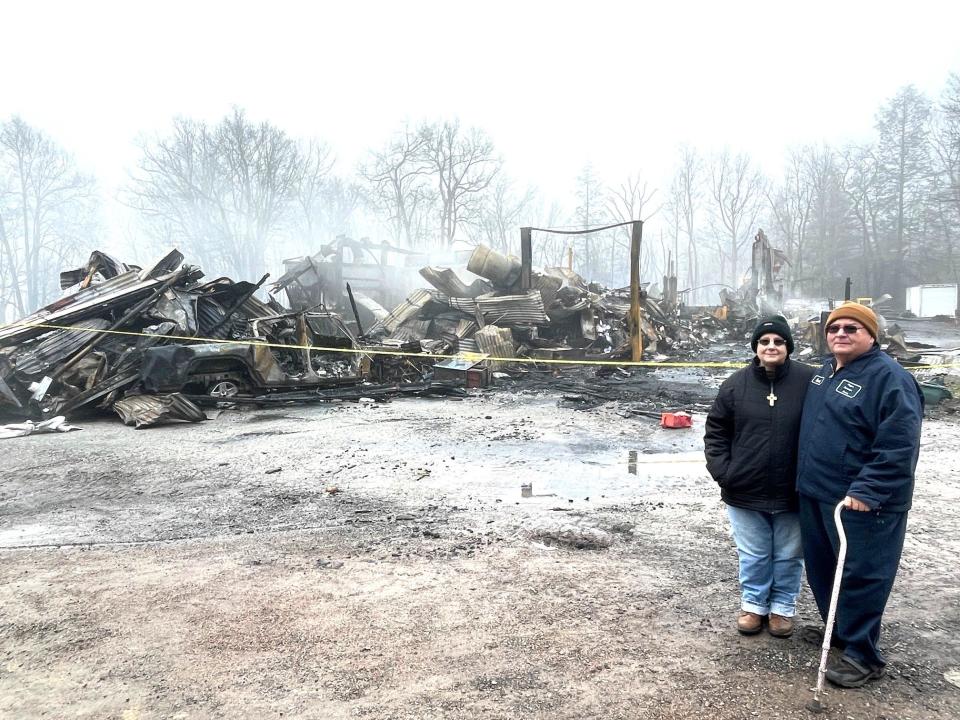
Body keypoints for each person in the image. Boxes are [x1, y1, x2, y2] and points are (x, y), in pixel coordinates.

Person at [796, 301, 923, 688]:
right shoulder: (825, 372)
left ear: (872, 335)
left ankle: (863, 654)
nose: (841, 334)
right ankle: (839, 629)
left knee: (862, 574)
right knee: (824, 568)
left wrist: (869, 489)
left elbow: (899, 444)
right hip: (817, 493)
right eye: (835, 328)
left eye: (852, 328)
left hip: (863, 501)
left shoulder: (890, 379)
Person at [704, 315, 815, 637]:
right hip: (745, 489)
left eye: (778, 341)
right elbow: (716, 431)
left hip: (793, 489)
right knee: (753, 554)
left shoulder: (810, 381)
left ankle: (782, 609)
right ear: (755, 346)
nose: (771, 346)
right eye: (764, 341)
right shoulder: (735, 385)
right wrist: (724, 472)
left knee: (789, 555)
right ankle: (753, 606)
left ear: (788, 347)